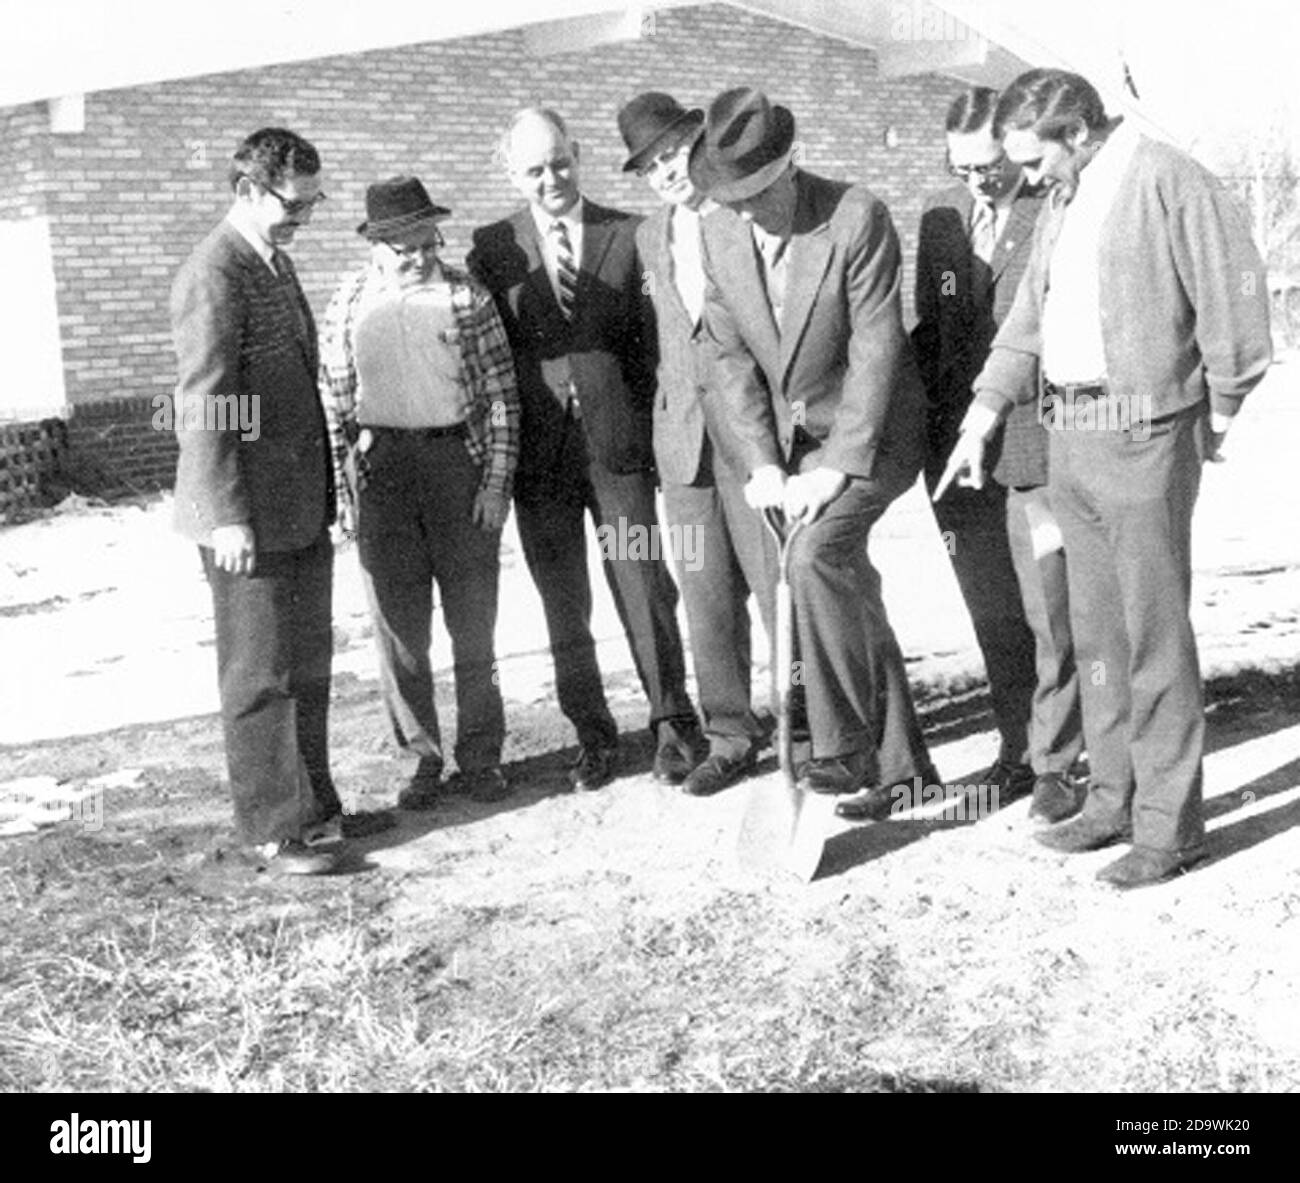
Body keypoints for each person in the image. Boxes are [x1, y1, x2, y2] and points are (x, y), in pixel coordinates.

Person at [937, 69, 1272, 887]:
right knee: (1096, 635)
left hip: (1147, 429)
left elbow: (1235, 306)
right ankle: (1112, 796)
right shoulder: (1063, 194)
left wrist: (1216, 417)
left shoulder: (1168, 179)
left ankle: (1169, 825)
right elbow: (1029, 322)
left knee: (1152, 634)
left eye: (1033, 159)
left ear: (1076, 134)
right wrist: (982, 413)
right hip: (1070, 431)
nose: (1026, 177)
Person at [690, 87, 937, 801]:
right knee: (842, 581)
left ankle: (843, 747)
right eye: (730, 195)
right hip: (792, 446)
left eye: (757, 194)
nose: (743, 210)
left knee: (814, 554)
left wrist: (833, 471)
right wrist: (764, 462)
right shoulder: (717, 235)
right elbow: (729, 360)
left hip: (875, 430)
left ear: (791, 165)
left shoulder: (855, 216)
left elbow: (876, 351)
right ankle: (905, 773)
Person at [854, 86, 1083, 823]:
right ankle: (1020, 749)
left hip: (1030, 441)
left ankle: (1063, 761)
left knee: (1048, 607)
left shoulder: (1053, 209)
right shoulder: (942, 219)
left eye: (988, 165)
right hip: (957, 454)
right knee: (991, 610)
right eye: (963, 168)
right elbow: (938, 333)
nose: (979, 181)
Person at [468, 107, 699, 792]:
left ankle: (672, 724)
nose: (551, 179)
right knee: (563, 602)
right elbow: (493, 354)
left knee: (643, 586)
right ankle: (594, 735)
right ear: (514, 173)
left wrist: (651, 438)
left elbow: (652, 350)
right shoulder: (493, 248)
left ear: (579, 153)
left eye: (560, 162)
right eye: (534, 170)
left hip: (618, 454)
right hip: (541, 465)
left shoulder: (627, 233)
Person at [171, 127, 352, 875]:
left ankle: (308, 807)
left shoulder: (271, 262)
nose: (303, 217)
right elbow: (209, 404)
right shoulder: (213, 274)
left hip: (298, 505)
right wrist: (226, 514)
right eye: (294, 204)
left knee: (306, 663)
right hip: (248, 516)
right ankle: (275, 829)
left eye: (312, 203)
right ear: (248, 190)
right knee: (260, 673)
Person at [318, 176, 520, 809]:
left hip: (456, 466)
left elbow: (501, 400)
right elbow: (334, 401)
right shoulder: (349, 300)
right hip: (384, 474)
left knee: (474, 623)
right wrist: (346, 495)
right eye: (401, 247)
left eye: (426, 241)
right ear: (374, 247)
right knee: (400, 630)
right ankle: (421, 759)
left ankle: (482, 757)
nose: (417, 257)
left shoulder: (467, 297)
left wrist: (494, 483)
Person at [617, 92, 778, 798]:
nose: (666, 172)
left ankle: (815, 726)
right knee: (705, 595)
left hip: (752, 438)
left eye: (673, 154)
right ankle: (732, 733)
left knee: (780, 586)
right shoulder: (650, 237)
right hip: (682, 441)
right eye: (650, 166)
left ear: (699, 145)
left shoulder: (743, 212)